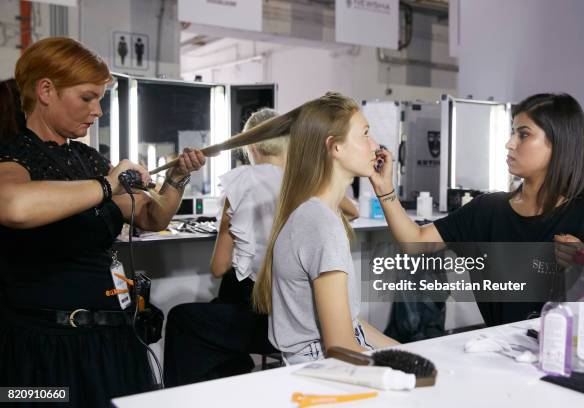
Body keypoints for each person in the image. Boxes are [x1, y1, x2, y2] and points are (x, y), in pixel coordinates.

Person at [0, 37, 206, 407]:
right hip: (45, 346)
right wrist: (107, 184)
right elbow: (14, 207)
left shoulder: (90, 159)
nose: (98, 111)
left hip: (110, 336)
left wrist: (176, 178)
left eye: (101, 99)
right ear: (46, 90)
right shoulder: (13, 156)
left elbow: (150, 216)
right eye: (87, 97)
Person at [368, 93, 584, 326]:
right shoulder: (488, 210)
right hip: (501, 354)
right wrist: (385, 190)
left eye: (523, 135)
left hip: (570, 356)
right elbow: (415, 242)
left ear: (559, 143)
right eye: (512, 133)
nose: (509, 143)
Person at [243, 92, 400, 364]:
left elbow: (352, 324)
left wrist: (411, 352)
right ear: (335, 147)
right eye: (365, 134)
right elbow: (341, 347)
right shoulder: (320, 224)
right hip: (325, 368)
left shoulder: (320, 214)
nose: (375, 145)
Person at [163, 108, 285, 386]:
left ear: (250, 146)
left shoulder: (242, 183)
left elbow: (218, 267)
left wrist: (230, 229)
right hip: (295, 318)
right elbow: (347, 208)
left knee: (184, 318)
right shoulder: (304, 182)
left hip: (260, 322)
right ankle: (235, 375)